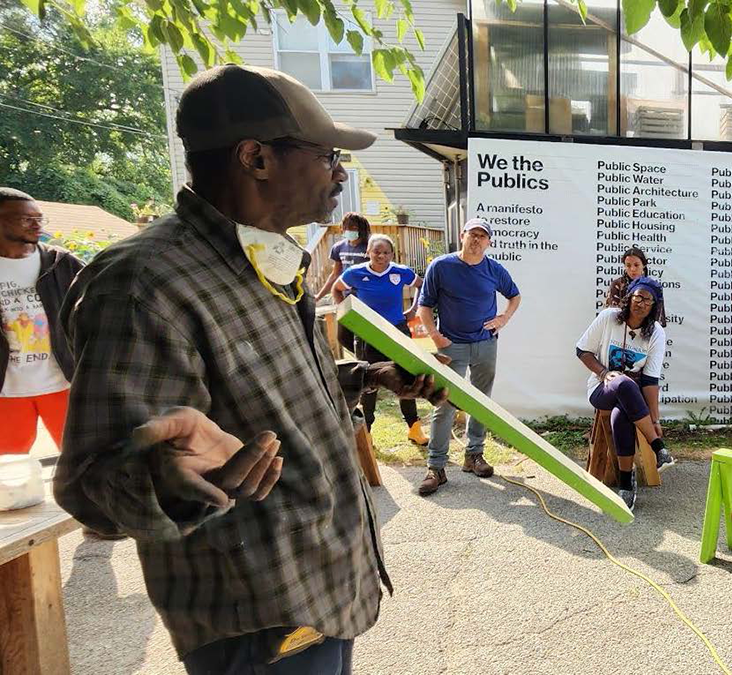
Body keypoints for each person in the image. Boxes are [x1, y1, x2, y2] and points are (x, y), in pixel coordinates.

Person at [52, 64, 447, 673]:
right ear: (256, 157)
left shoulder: (262, 256)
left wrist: (369, 377)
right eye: (327, 155)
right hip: (256, 616)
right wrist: (172, 478)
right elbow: (91, 483)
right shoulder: (146, 283)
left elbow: (272, 381)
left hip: (321, 587)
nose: (341, 172)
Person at [416, 217, 521, 496]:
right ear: (462, 236)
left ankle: (474, 455)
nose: (476, 239)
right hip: (452, 347)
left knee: (480, 402)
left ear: (489, 242)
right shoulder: (442, 266)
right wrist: (435, 336)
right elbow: (424, 306)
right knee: (444, 404)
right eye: (472, 234)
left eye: (482, 236)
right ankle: (435, 467)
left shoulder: (493, 269)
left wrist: (504, 318)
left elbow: (515, 296)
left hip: (486, 344)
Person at [577, 277, 673, 509]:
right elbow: (582, 350)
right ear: (629, 297)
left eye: (647, 300)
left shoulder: (656, 333)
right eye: (637, 296)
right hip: (601, 388)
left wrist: (655, 418)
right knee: (624, 383)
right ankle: (658, 447)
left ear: (654, 306)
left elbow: (650, 381)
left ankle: (625, 484)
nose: (640, 303)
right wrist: (603, 372)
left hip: (633, 398)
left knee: (621, 417)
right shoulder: (608, 318)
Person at [0, 188, 84, 455]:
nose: (36, 224)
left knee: (82, 458)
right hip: (6, 391)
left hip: (64, 382)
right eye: (26, 219)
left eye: (39, 218)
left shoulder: (62, 263)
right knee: (9, 471)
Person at [333, 232, 429, 446]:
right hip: (368, 333)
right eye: (377, 251)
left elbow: (422, 285)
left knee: (407, 376)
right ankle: (366, 433)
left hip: (397, 330)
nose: (381, 256)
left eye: (386, 252)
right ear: (368, 252)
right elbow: (337, 289)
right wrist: (345, 312)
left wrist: (413, 310)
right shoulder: (355, 273)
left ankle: (414, 428)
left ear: (392, 254)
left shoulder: (401, 272)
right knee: (367, 380)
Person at [315, 211, 371, 353]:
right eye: (346, 227)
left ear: (361, 229)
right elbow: (335, 275)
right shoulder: (339, 248)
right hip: (345, 298)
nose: (349, 230)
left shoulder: (370, 247)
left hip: (367, 299)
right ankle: (361, 358)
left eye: (353, 227)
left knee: (366, 336)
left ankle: (367, 361)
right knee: (344, 337)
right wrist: (318, 296)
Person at [605, 246, 667, 325]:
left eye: (636, 265)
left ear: (643, 265)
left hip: (646, 331)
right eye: (628, 265)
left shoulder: (653, 287)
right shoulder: (617, 285)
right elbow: (610, 316)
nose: (632, 269)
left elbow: (658, 319)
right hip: (619, 330)